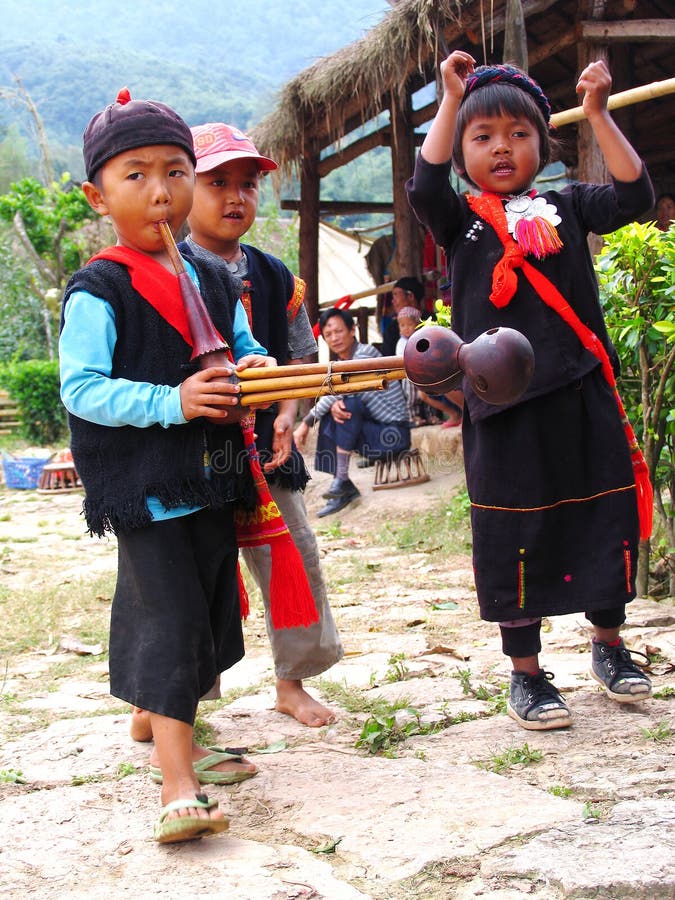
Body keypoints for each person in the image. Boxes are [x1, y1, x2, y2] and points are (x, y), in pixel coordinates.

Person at [407, 52, 654, 730]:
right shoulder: (458, 223)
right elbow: (423, 184)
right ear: (461, 151)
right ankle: (527, 674)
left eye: (517, 134)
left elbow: (635, 198)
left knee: (602, 519)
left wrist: (598, 114)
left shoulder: (568, 206)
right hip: (502, 409)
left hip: (579, 395)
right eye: (481, 136)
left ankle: (609, 647)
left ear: (542, 144)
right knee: (512, 533)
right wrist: (449, 100)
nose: (501, 148)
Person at [59, 90, 272, 842]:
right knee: (172, 622)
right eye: (136, 175)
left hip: (212, 476)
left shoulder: (212, 275)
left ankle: (157, 717)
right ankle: (177, 786)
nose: (160, 191)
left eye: (176, 171)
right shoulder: (99, 288)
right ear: (98, 195)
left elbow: (240, 346)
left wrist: (260, 370)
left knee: (209, 616)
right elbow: (81, 389)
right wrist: (172, 400)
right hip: (147, 485)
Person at [180, 121, 343, 727]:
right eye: (216, 181)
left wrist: (289, 418)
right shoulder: (165, 269)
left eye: (246, 184)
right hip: (192, 452)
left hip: (270, 449)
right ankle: (184, 697)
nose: (234, 197)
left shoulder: (276, 276)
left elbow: (299, 355)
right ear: (182, 188)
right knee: (196, 566)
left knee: (292, 555)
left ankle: (292, 682)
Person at [293, 308, 410, 517]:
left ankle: (341, 482)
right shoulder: (343, 363)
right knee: (337, 407)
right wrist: (334, 402)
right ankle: (341, 482)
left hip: (393, 437)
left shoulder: (365, 354)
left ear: (352, 330)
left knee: (347, 404)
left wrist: (306, 422)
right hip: (374, 436)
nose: (334, 338)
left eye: (338, 331)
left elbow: (339, 391)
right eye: (328, 335)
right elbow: (336, 392)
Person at [381, 276, 424, 356]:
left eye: (396, 295)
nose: (393, 301)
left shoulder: (431, 322)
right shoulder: (392, 329)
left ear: (410, 296)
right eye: (403, 325)